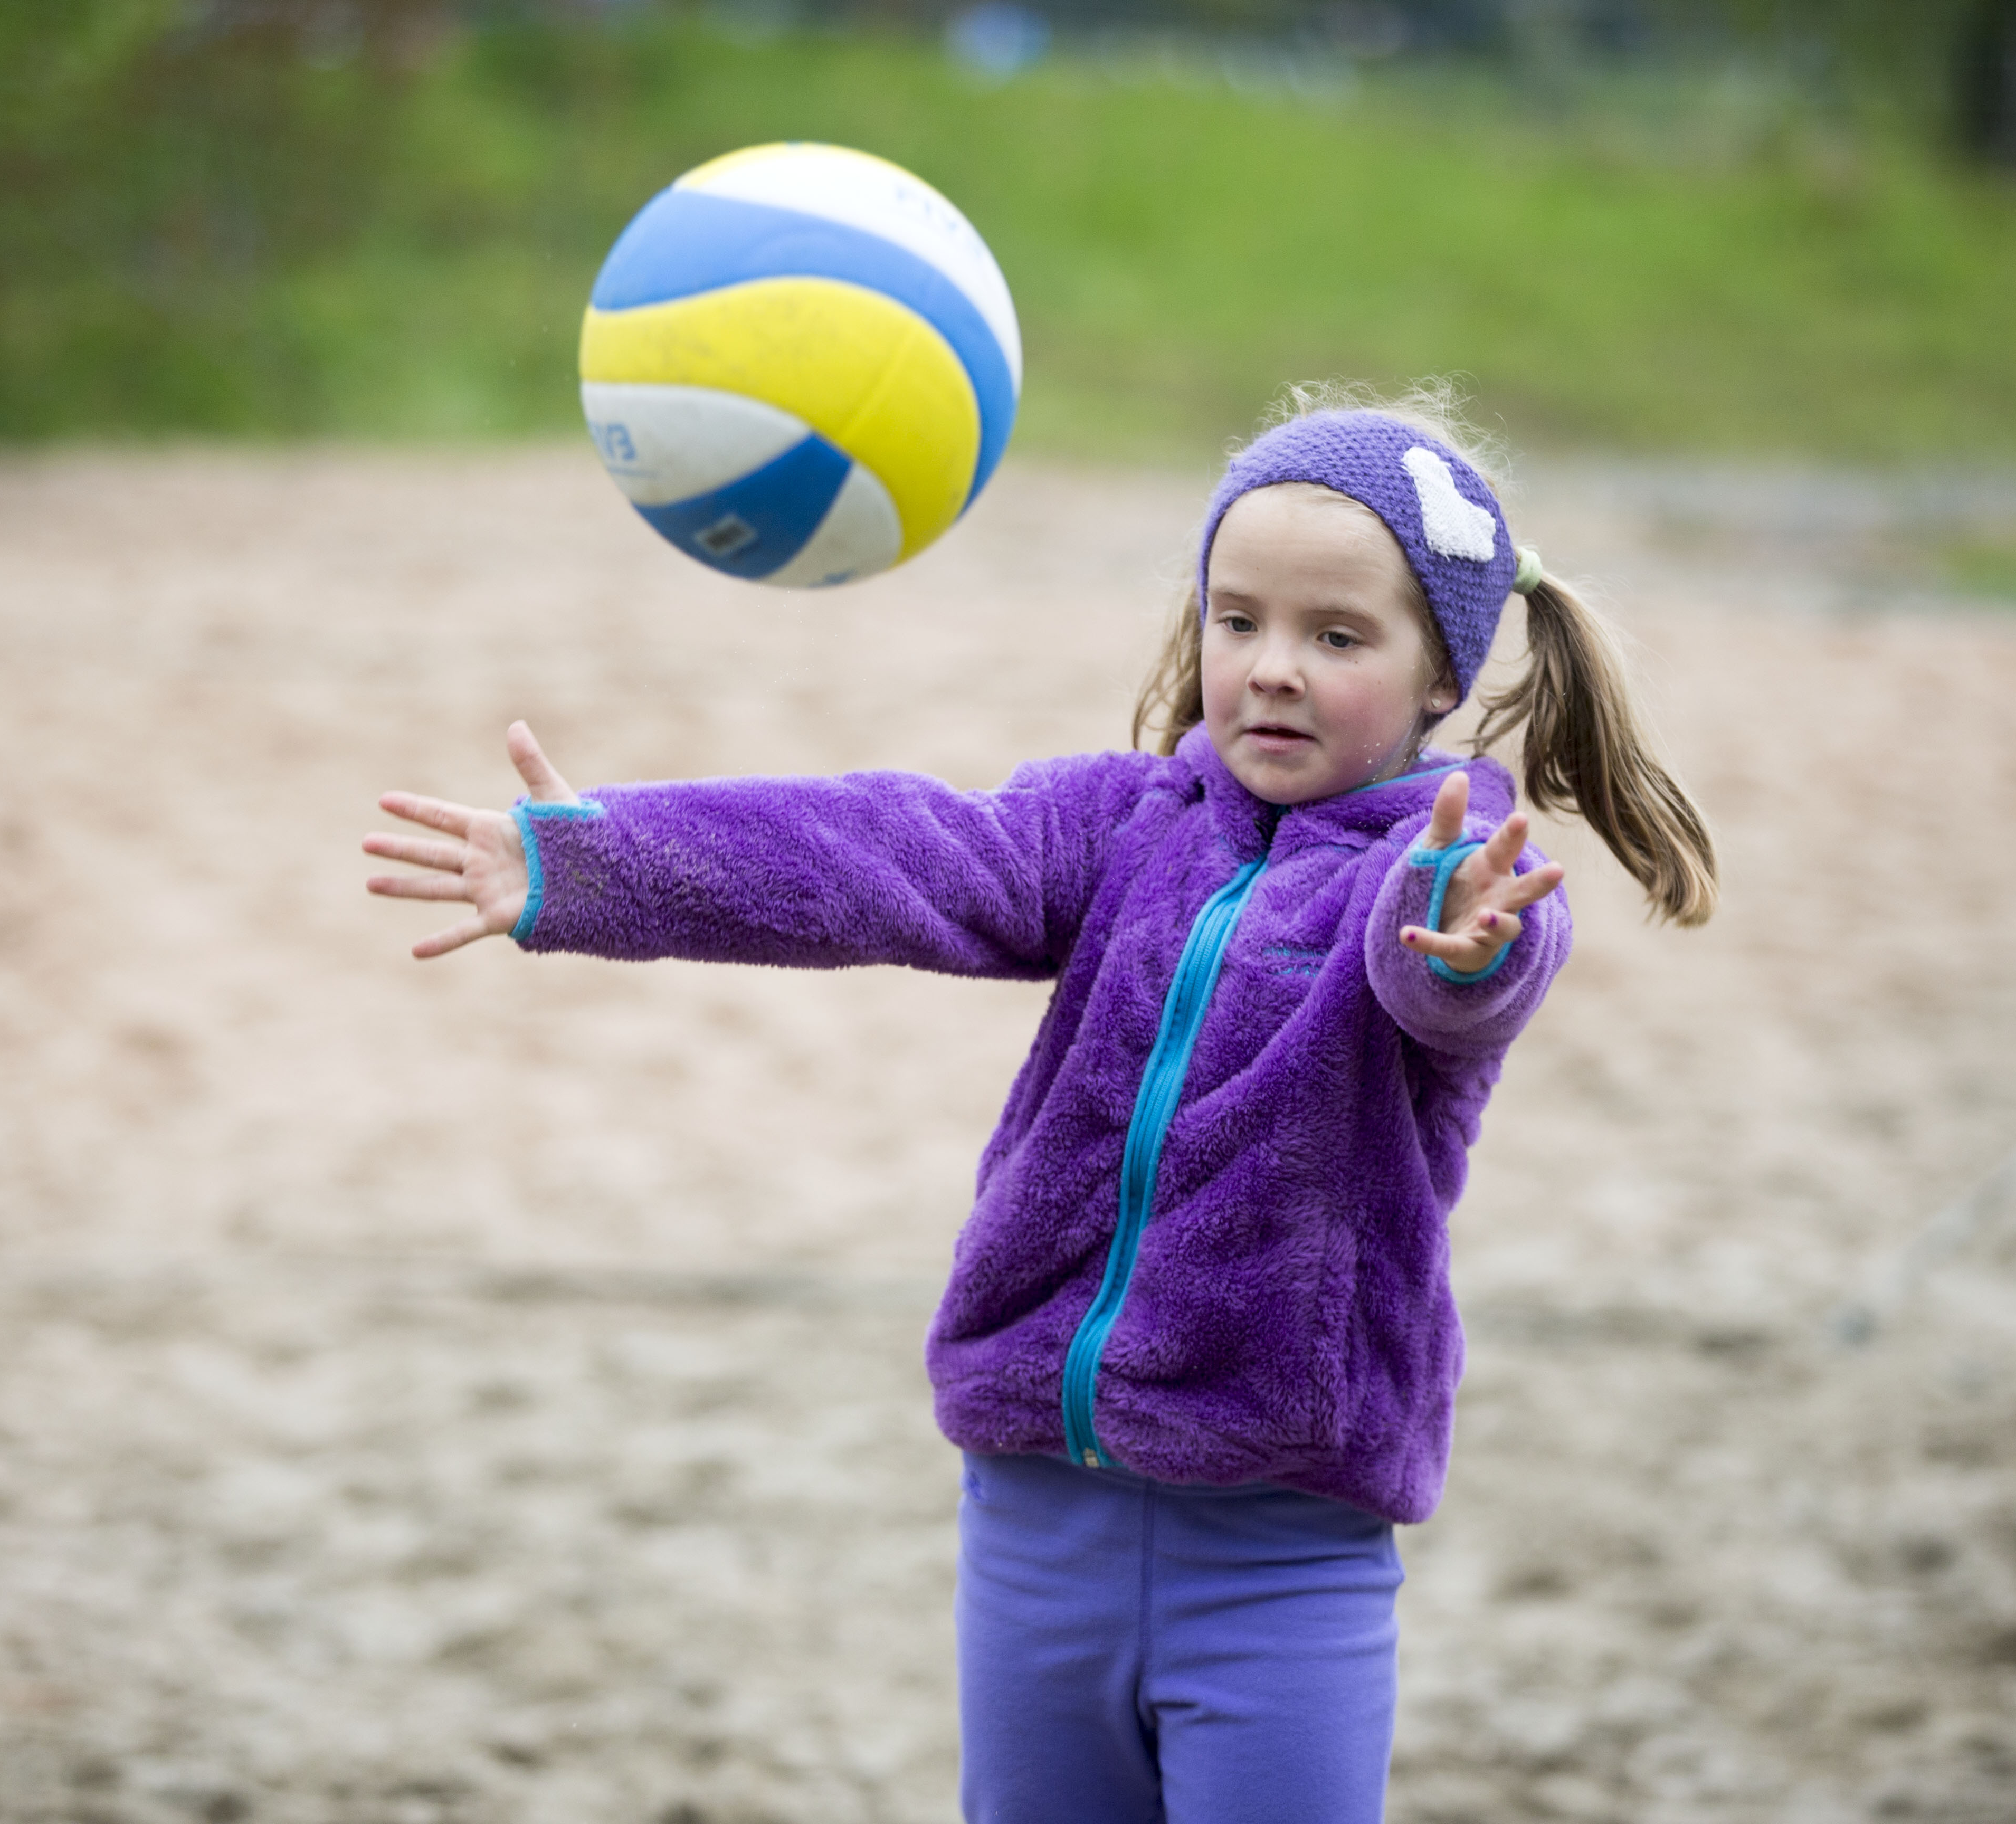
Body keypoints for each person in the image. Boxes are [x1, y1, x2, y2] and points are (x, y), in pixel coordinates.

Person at [362, 385, 1717, 1822]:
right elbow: (888, 853)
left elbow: (1454, 980)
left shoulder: (1437, 876)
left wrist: (1466, 942)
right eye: (1238, 619)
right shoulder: (1122, 828)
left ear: (1442, 673)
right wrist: (606, 865)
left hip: (1280, 1559)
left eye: (1338, 637)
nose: (1272, 669)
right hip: (1030, 1521)